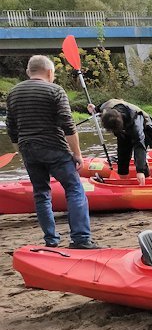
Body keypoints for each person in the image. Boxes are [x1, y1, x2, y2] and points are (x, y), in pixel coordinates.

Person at [6, 55, 102, 249]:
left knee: (41, 193)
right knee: (74, 189)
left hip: (28, 150)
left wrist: (21, 152)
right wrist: (77, 154)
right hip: (55, 148)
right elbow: (68, 125)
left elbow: (11, 128)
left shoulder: (13, 93)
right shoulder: (55, 90)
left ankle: (51, 240)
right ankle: (81, 239)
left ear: (28, 72)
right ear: (50, 72)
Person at [92, 99, 152, 185]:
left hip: (145, 128)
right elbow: (101, 106)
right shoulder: (106, 109)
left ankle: (146, 181)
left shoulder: (135, 124)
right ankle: (123, 183)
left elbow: (139, 145)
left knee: (140, 157)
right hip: (123, 131)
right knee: (122, 156)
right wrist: (94, 109)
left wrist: (140, 171)